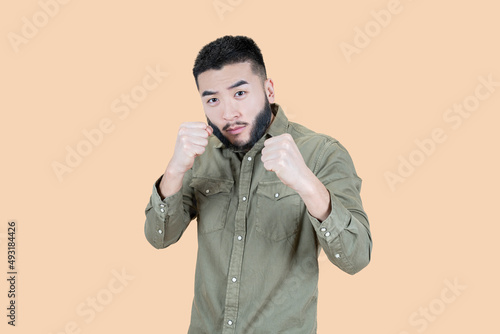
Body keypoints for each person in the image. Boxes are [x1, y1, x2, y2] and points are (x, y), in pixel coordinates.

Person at [144, 35, 372, 334]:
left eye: (239, 93)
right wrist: (174, 169)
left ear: (268, 89)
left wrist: (306, 184)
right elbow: (160, 237)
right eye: (213, 99)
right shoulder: (199, 156)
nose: (228, 113)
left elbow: (356, 257)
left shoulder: (322, 152)